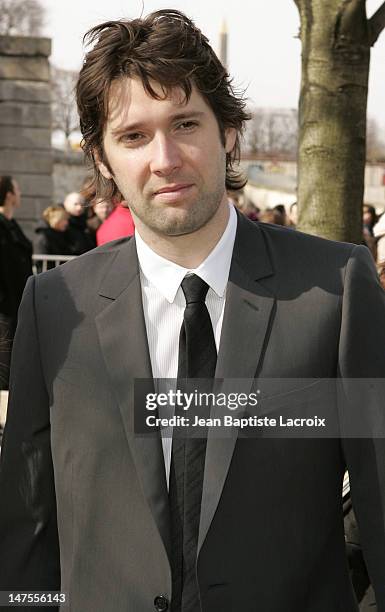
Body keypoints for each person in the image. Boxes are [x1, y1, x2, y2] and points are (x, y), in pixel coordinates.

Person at [0, 10, 384, 612]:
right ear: (101, 158)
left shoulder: (335, 289)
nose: (165, 158)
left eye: (185, 123)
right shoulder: (54, 307)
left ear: (228, 132)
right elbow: (28, 524)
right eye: (133, 136)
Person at [0, 176, 32, 390]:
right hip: (3, 308)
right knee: (3, 367)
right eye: (17, 189)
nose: (20, 193)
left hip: (16, 304)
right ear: (9, 194)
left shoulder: (11, 225)